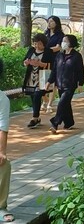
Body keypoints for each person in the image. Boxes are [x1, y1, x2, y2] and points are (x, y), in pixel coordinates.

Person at [46, 35, 84, 133]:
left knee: (62, 103)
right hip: (60, 84)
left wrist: (80, 83)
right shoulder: (59, 55)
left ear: (71, 43)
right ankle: (69, 122)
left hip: (70, 85)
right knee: (66, 104)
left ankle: (55, 123)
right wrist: (49, 81)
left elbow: (80, 70)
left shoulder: (76, 56)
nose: (63, 43)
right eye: (63, 41)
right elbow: (54, 70)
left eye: (65, 41)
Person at [22, 33, 53, 128]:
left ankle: (34, 118)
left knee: (37, 95)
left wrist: (40, 64)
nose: (37, 46)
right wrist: (26, 63)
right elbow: (24, 61)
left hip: (43, 77)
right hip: (31, 77)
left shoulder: (48, 51)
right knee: (33, 96)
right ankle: (37, 117)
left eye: (39, 44)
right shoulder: (31, 50)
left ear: (44, 43)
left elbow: (51, 65)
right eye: (35, 43)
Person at [0, 58, 14, 222]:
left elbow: (2, 128)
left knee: (4, 165)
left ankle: (0, 206)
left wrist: (1, 152)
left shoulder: (2, 99)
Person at [42, 16, 64, 113]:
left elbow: (58, 48)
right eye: (48, 21)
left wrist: (46, 50)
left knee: (52, 82)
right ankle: (45, 100)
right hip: (44, 59)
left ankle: (49, 104)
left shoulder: (60, 35)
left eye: (51, 21)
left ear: (56, 23)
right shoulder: (45, 34)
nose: (49, 23)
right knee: (42, 81)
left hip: (55, 60)